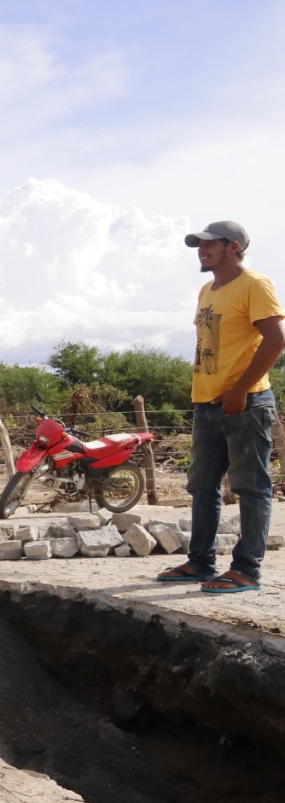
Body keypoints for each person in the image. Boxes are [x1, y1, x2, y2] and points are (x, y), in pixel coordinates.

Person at [156, 221, 285, 593]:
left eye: (209, 244)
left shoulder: (254, 285)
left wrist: (240, 390)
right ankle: (200, 562)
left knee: (250, 487)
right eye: (199, 244)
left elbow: (276, 340)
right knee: (202, 486)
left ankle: (246, 570)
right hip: (206, 404)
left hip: (246, 403)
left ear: (234, 247)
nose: (201, 249)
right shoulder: (207, 290)